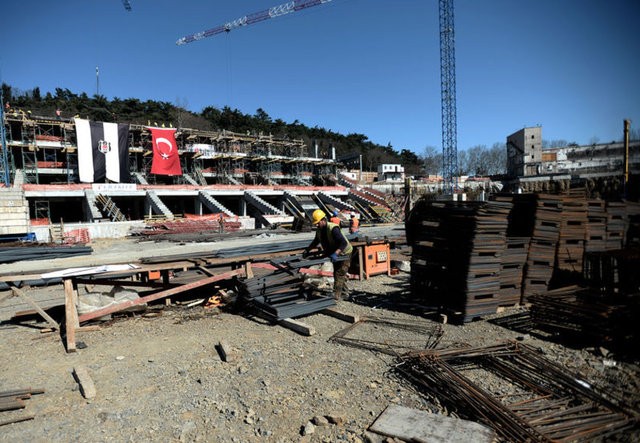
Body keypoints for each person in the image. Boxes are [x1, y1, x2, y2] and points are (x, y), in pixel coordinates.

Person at [303, 209, 353, 300]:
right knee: (338, 272)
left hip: (344, 252)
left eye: (318, 223)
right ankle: (344, 292)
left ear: (323, 220)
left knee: (339, 273)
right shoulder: (319, 230)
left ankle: (337, 295)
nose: (317, 225)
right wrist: (308, 250)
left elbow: (343, 243)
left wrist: (336, 253)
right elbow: (316, 241)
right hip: (334, 252)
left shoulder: (333, 228)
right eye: (316, 223)